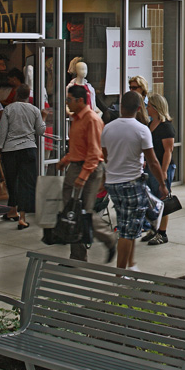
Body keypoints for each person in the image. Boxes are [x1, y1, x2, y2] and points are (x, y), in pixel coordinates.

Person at [100, 90, 167, 270]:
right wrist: (162, 184)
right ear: (139, 109)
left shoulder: (107, 128)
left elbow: (105, 156)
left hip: (113, 184)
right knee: (127, 233)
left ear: (121, 107)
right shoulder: (142, 130)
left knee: (126, 224)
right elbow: (152, 161)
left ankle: (131, 265)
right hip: (132, 183)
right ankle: (121, 275)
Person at [55, 84, 116, 263]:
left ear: (80, 100)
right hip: (75, 166)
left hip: (89, 169)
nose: (67, 104)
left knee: (84, 212)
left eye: (69, 100)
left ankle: (108, 238)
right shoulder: (76, 119)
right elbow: (78, 147)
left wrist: (83, 176)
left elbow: (94, 153)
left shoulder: (92, 120)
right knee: (71, 211)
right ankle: (77, 256)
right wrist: (65, 160)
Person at [0, 84, 45, 229]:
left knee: (12, 180)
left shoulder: (9, 109)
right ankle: (21, 217)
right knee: (26, 182)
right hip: (29, 148)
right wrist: (44, 117)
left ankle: (13, 209)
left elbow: (3, 131)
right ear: (28, 95)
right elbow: (40, 131)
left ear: (16, 94)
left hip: (10, 150)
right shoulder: (35, 110)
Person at [141, 93, 175, 246]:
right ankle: (153, 229)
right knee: (151, 199)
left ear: (155, 108)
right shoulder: (150, 125)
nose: (147, 108)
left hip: (161, 168)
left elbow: (168, 151)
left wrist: (163, 171)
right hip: (150, 167)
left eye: (149, 106)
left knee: (163, 199)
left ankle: (162, 232)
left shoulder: (166, 127)